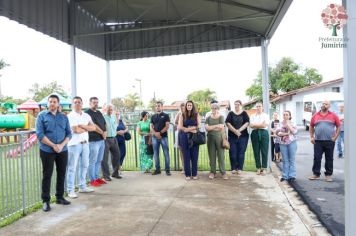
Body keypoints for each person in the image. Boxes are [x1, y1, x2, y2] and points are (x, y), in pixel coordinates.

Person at [36, 94, 72, 212]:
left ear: (58, 104)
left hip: (62, 150)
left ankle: (59, 197)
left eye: (54, 101)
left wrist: (61, 145)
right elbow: (40, 135)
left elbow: (69, 134)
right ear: (47, 103)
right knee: (47, 175)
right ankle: (46, 201)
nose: (52, 103)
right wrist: (53, 145)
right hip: (47, 150)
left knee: (61, 173)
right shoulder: (41, 116)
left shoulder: (64, 117)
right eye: (50, 101)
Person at [66, 96, 96, 198]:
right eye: (75, 102)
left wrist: (82, 126)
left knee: (84, 165)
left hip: (85, 144)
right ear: (72, 104)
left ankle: (82, 186)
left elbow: (94, 127)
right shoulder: (70, 116)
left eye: (79, 102)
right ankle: (70, 190)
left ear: (82, 104)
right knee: (72, 168)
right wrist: (87, 128)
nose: (77, 104)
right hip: (74, 145)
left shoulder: (86, 115)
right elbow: (76, 130)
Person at [309, 100, 340, 182]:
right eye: (323, 104)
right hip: (318, 141)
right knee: (317, 158)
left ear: (329, 106)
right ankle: (316, 174)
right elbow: (311, 126)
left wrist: (335, 137)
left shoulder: (333, 115)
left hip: (330, 141)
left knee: (329, 158)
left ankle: (328, 175)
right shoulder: (315, 115)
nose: (324, 105)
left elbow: (338, 126)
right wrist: (311, 137)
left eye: (326, 104)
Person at [86, 97, 108, 187]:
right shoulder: (88, 113)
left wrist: (105, 131)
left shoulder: (99, 112)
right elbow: (93, 125)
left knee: (99, 160)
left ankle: (97, 177)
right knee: (92, 161)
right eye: (94, 102)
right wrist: (102, 132)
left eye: (97, 102)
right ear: (90, 103)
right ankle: (92, 180)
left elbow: (104, 123)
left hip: (101, 140)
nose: (96, 104)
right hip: (93, 140)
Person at [225, 100, 250, 175]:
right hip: (232, 137)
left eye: (238, 104)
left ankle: (239, 168)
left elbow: (247, 122)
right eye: (235, 104)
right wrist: (235, 131)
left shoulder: (244, 113)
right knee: (232, 153)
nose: (236, 106)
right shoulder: (230, 113)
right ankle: (233, 168)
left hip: (243, 136)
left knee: (241, 153)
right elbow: (227, 123)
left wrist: (239, 130)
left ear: (241, 105)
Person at [178, 100, 201, 180]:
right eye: (188, 105)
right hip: (184, 137)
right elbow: (180, 127)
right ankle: (187, 175)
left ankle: (194, 174)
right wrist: (190, 129)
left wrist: (190, 129)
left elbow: (199, 125)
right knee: (186, 156)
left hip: (194, 137)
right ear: (186, 106)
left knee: (194, 155)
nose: (189, 106)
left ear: (192, 106)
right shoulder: (182, 115)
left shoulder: (196, 114)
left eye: (190, 105)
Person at [205, 102, 228, 180]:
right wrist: (216, 126)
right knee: (211, 156)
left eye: (215, 108)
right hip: (210, 139)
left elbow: (221, 127)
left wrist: (211, 127)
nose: (214, 109)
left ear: (218, 109)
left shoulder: (221, 117)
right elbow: (206, 128)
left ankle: (223, 172)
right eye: (212, 108)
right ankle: (212, 172)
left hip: (220, 138)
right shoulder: (208, 118)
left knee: (221, 156)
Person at [150, 101, 171, 176]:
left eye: (159, 106)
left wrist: (160, 133)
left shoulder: (166, 115)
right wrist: (155, 133)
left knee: (166, 153)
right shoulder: (153, 116)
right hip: (154, 137)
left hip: (163, 137)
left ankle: (167, 170)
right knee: (156, 154)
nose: (157, 107)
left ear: (162, 107)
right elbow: (151, 126)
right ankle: (157, 169)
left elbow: (167, 126)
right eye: (156, 106)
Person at [276, 111, 298, 183]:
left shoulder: (293, 123)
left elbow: (294, 132)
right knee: (285, 160)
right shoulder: (280, 123)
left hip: (292, 142)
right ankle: (285, 176)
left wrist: (288, 125)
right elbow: (277, 133)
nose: (285, 116)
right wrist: (286, 133)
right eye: (284, 114)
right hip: (282, 143)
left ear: (289, 116)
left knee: (292, 159)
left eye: (287, 115)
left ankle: (292, 176)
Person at [102, 104, 122, 180]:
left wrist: (117, 118)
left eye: (111, 109)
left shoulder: (114, 117)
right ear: (105, 109)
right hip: (105, 139)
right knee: (105, 158)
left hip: (114, 138)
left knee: (117, 155)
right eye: (108, 109)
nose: (110, 111)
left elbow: (115, 126)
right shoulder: (103, 117)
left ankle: (115, 173)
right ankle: (106, 176)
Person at [250, 102, 270, 176]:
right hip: (254, 133)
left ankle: (264, 168)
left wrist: (256, 125)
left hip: (264, 133)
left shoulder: (266, 115)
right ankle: (258, 167)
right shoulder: (252, 115)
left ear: (262, 107)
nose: (258, 108)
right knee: (256, 151)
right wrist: (260, 125)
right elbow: (251, 125)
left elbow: (265, 125)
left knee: (264, 151)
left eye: (260, 106)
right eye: (257, 106)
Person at [174, 103, 185, 173]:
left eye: (183, 107)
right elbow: (175, 123)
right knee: (181, 150)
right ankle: (183, 167)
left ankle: (189, 166)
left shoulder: (189, 113)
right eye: (181, 107)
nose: (182, 108)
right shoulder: (179, 114)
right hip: (180, 133)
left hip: (187, 133)